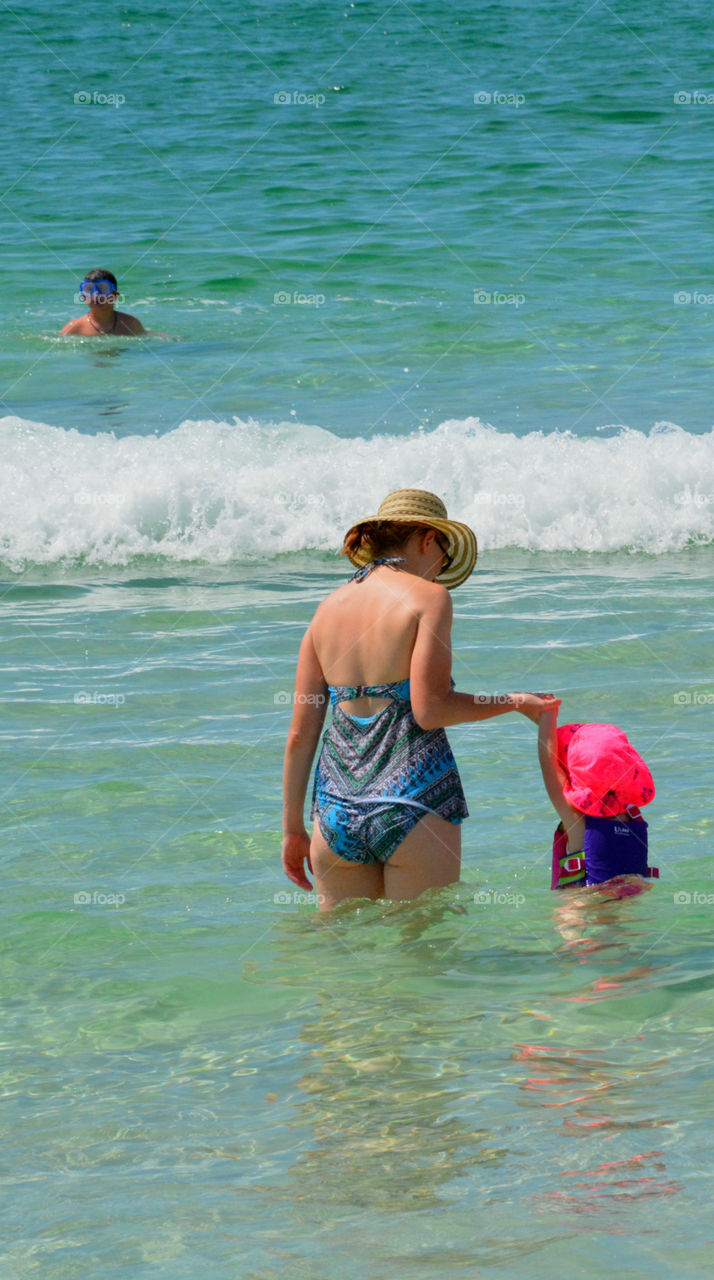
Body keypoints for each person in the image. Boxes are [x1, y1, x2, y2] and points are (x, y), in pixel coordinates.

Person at [281, 488, 558, 910]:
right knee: (424, 958)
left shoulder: (326, 610)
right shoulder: (429, 599)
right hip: (413, 799)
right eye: (444, 557)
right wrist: (517, 701)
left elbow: (301, 734)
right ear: (428, 539)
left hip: (335, 813)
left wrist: (292, 830)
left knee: (344, 962)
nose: (440, 571)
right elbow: (431, 710)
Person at [534, 701, 658, 890]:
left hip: (584, 909)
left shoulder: (577, 819)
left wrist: (547, 714)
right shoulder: (633, 816)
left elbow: (549, 764)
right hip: (629, 905)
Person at [59, 269, 146, 336]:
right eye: (89, 290)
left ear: (115, 296)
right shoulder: (75, 327)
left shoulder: (130, 324)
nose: (96, 295)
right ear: (84, 297)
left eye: (103, 289)